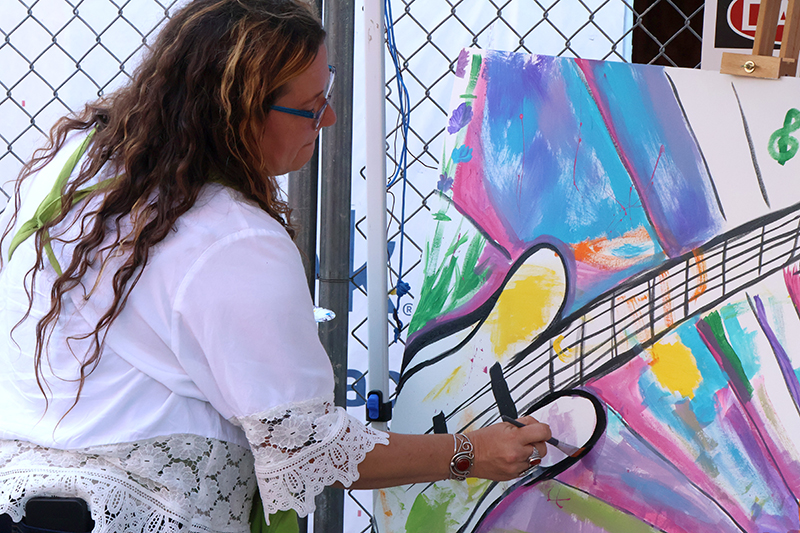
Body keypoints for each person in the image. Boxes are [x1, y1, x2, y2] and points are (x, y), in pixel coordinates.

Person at [0, 0, 551, 531]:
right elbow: (310, 447)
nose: (329, 117)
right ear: (239, 114)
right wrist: (471, 451)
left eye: (327, 91)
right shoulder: (232, 237)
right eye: (311, 107)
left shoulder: (77, 161)